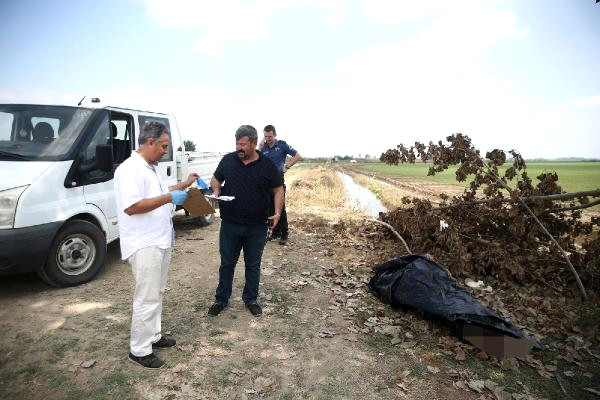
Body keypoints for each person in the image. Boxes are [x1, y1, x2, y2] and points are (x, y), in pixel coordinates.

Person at [114, 121, 198, 369]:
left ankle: (153, 336)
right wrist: (169, 197)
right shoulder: (130, 169)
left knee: (157, 293)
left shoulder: (149, 168)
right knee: (146, 296)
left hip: (159, 240)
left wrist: (182, 185)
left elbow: (160, 191)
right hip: (144, 244)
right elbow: (132, 207)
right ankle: (139, 349)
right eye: (163, 146)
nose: (165, 151)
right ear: (149, 142)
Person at [208, 125, 284, 317]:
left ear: (253, 143)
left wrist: (277, 213)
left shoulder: (267, 165)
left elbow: (278, 189)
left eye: (242, 144)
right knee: (227, 263)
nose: (239, 148)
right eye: (236, 144)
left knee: (252, 264)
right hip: (230, 225)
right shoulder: (228, 160)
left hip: (256, 226)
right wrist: (216, 191)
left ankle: (250, 299)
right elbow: (215, 179)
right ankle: (221, 299)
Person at [258, 125, 302, 245]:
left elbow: (298, 156)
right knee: (270, 208)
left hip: (278, 182)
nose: (268, 139)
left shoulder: (282, 145)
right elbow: (257, 160)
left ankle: (284, 234)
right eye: (266, 136)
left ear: (275, 135)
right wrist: (259, 147)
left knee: (280, 208)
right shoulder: (264, 147)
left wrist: (287, 166)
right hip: (266, 183)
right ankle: (275, 232)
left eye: (270, 136)